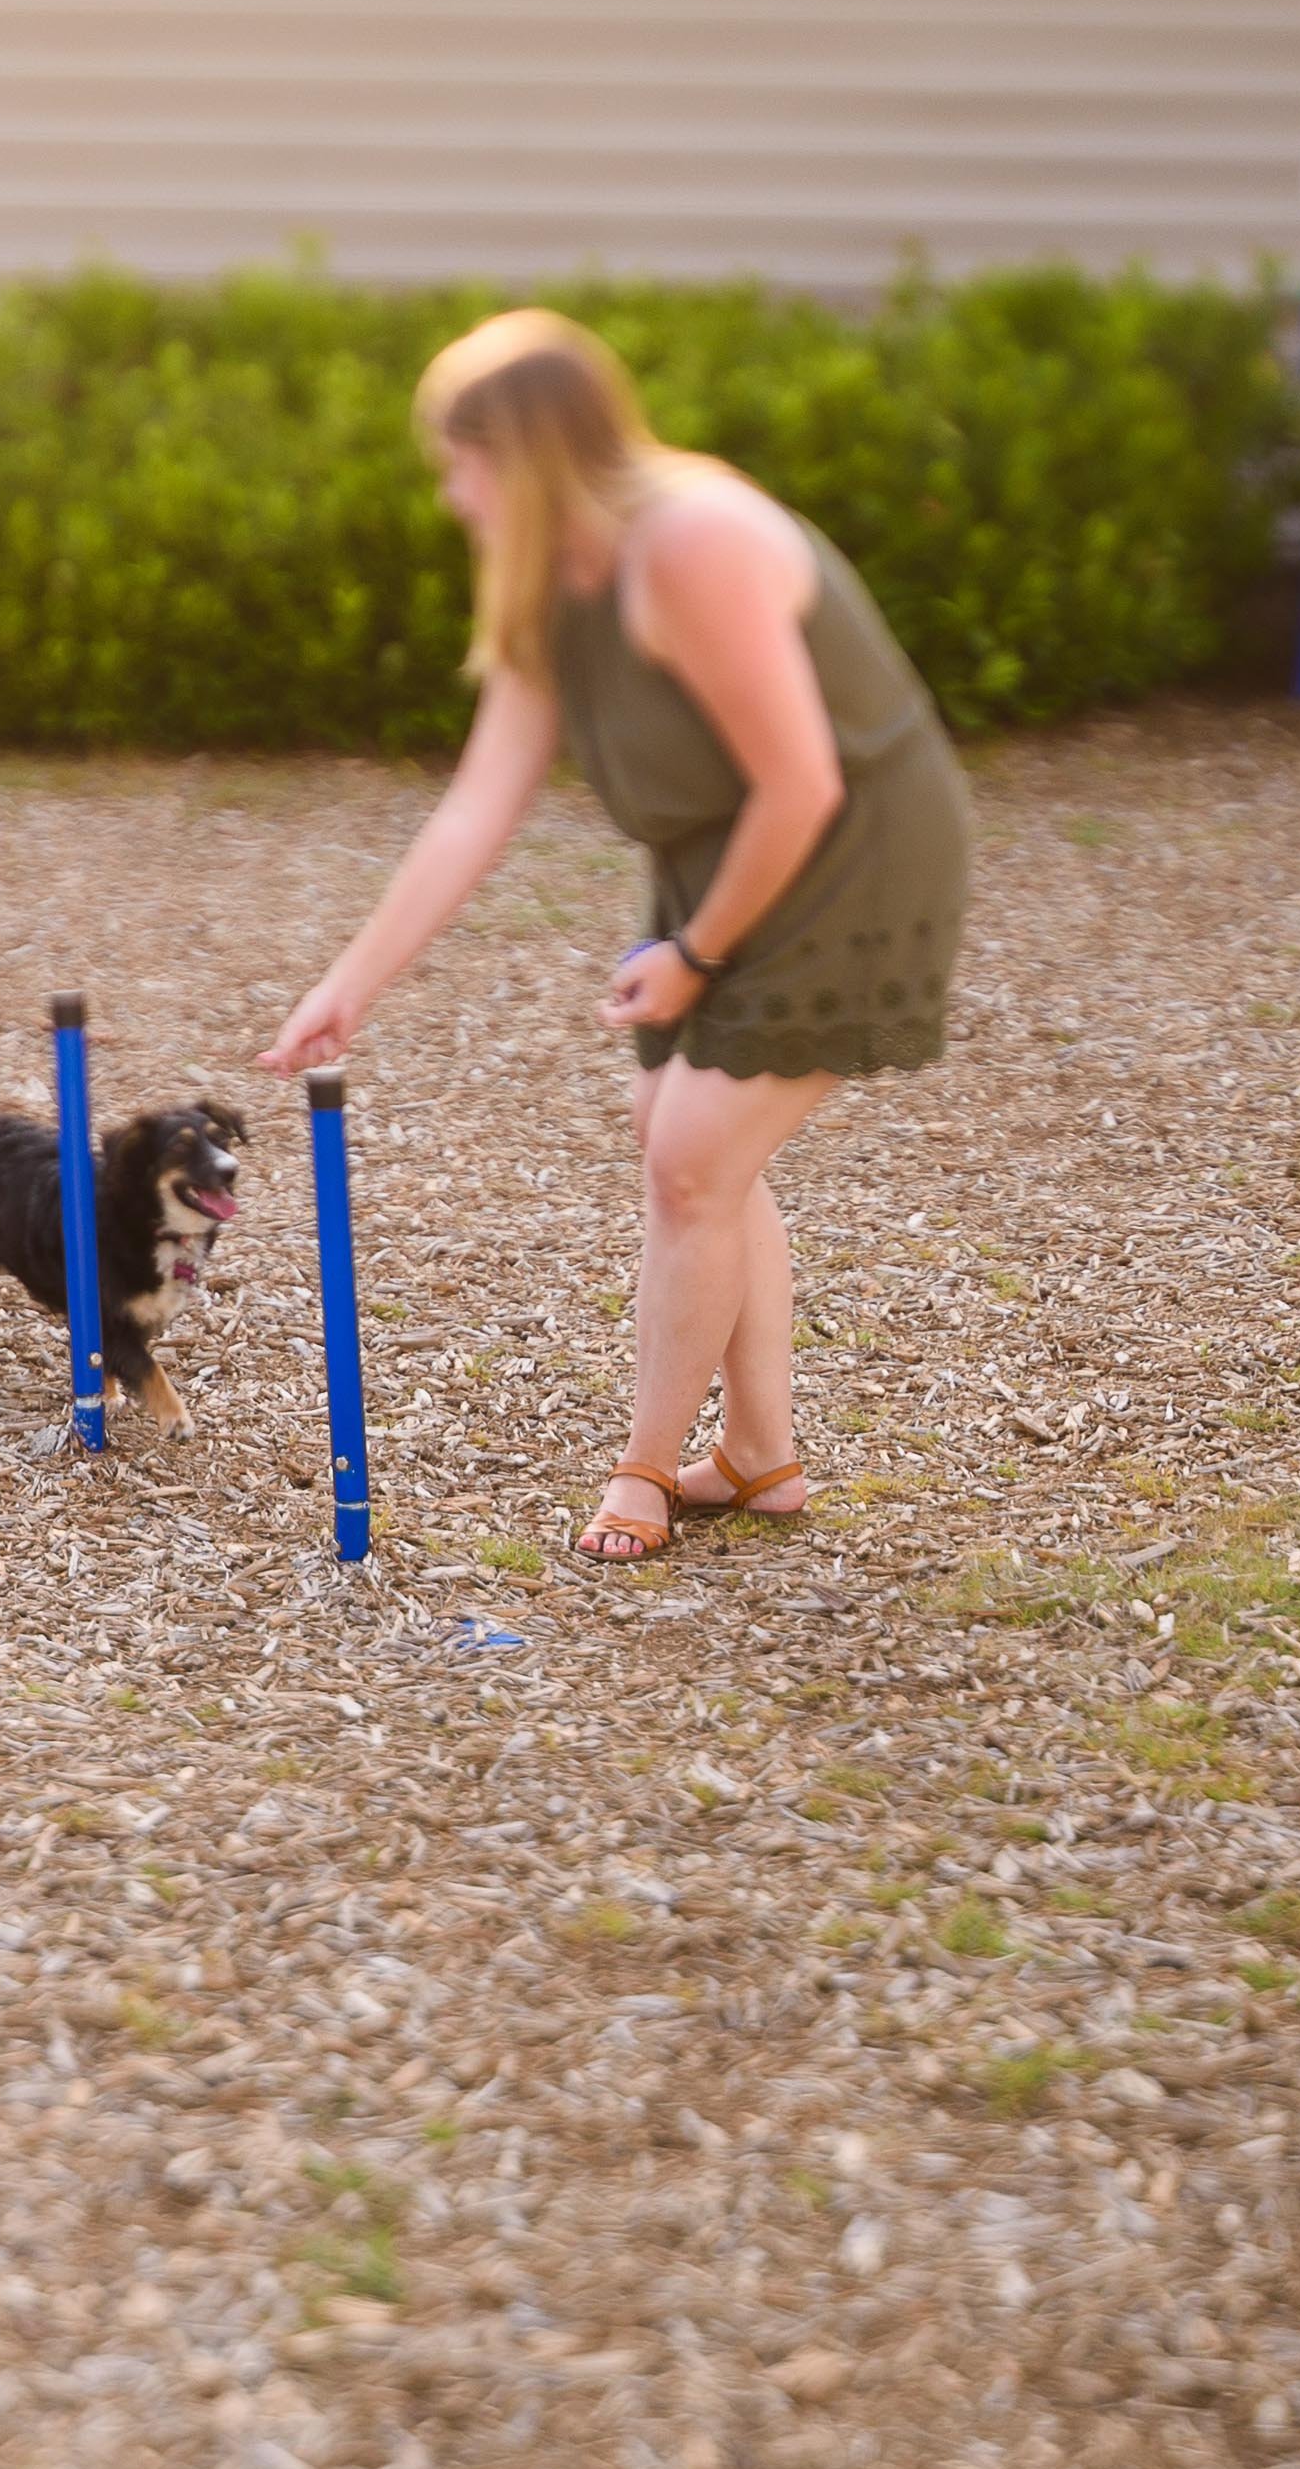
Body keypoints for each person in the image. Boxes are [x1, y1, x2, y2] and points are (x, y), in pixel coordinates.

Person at [257, 308, 967, 1564]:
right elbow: (480, 803)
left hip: (849, 850)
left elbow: (805, 781)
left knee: (692, 1155)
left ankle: (645, 1469)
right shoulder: (553, 586)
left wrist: (694, 953)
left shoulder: (691, 543)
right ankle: (761, 1457)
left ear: (521, 456)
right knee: (687, 1145)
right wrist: (351, 983)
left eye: (458, 460)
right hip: (726, 854)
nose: (449, 492)